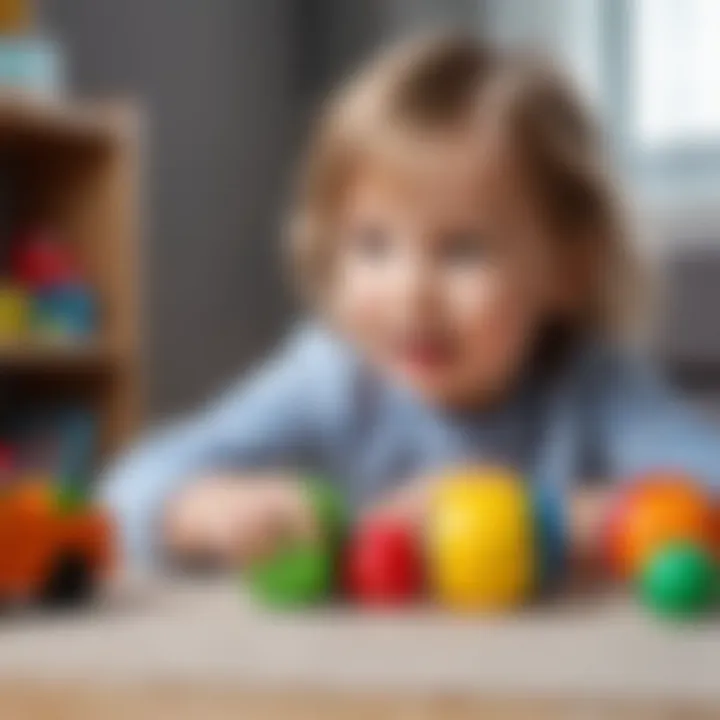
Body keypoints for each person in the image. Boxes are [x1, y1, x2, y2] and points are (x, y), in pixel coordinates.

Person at [102, 34, 720, 572]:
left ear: (568, 269)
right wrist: (201, 512)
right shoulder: (333, 377)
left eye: (462, 251)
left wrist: (540, 520)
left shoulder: (590, 383)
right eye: (373, 245)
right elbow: (125, 491)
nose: (411, 293)